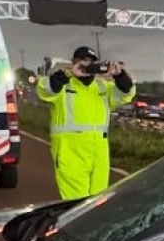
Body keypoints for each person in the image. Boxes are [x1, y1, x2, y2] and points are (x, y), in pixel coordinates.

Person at [36, 45, 136, 199]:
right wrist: (68, 73)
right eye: (81, 61)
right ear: (73, 62)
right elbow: (45, 89)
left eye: (90, 62)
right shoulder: (63, 86)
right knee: (76, 205)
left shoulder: (103, 87)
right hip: (71, 155)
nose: (86, 65)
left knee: (98, 203)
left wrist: (119, 75)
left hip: (99, 156)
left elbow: (127, 93)